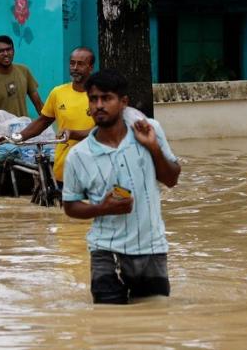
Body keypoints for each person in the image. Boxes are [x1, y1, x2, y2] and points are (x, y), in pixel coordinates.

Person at [62, 69, 181, 304]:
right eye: (93, 99)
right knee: (108, 324)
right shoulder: (78, 155)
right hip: (105, 250)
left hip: (151, 247)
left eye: (106, 98)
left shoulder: (150, 131)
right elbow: (70, 206)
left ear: (123, 102)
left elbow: (171, 179)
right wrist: (102, 208)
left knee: (153, 321)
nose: (99, 105)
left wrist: (153, 148)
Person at [18, 46, 96, 184]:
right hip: (63, 169)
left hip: (93, 170)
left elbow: (103, 132)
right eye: (72, 63)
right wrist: (18, 137)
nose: (75, 68)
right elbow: (43, 121)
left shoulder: (99, 96)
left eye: (80, 64)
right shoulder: (58, 92)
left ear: (91, 67)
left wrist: (73, 133)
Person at [0, 35, 43, 118]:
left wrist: (47, 125)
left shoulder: (24, 71)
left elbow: (38, 103)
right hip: (0, 130)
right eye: (0, 51)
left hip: (24, 129)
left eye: (8, 49)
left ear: (13, 51)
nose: (6, 54)